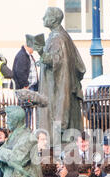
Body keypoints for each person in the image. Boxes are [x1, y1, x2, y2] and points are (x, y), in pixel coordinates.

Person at [35, 7, 86, 135]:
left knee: (53, 115)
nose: (43, 18)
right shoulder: (59, 36)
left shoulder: (58, 38)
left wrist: (40, 51)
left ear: (53, 20)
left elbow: (56, 61)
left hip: (55, 88)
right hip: (55, 85)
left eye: (45, 16)